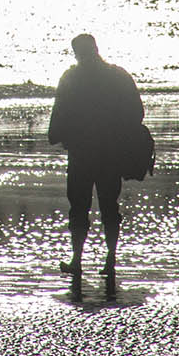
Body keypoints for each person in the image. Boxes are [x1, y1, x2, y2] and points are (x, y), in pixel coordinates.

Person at [47, 33, 144, 282]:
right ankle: (110, 260)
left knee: (78, 207)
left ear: (77, 53)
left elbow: (59, 113)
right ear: (96, 48)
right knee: (109, 207)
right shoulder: (118, 76)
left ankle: (77, 260)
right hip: (110, 153)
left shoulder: (71, 78)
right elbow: (137, 113)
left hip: (81, 154)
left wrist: (56, 134)